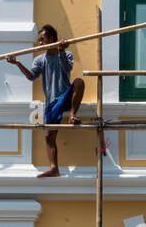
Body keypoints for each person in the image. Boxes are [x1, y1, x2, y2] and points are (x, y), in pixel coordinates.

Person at [6, 24, 86, 178]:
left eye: (42, 40)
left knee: (79, 82)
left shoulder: (66, 54)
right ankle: (54, 168)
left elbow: (66, 68)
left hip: (66, 95)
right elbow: (31, 76)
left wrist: (61, 50)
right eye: (39, 40)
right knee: (48, 136)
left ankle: (72, 115)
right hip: (51, 101)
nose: (40, 43)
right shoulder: (39, 60)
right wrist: (17, 63)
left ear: (51, 39)